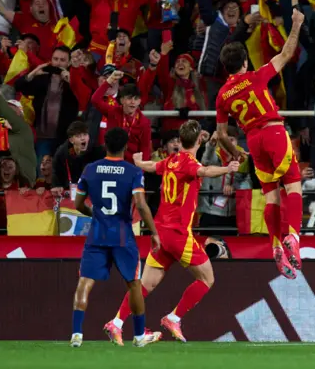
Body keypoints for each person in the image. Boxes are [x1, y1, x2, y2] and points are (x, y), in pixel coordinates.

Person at [103, 120, 240, 344]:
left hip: (160, 233)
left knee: (146, 285)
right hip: (177, 233)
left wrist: (138, 162)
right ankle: (173, 318)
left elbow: (150, 167)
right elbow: (204, 170)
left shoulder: (171, 161)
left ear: (180, 140)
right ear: (198, 141)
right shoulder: (188, 164)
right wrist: (228, 168)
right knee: (207, 279)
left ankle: (116, 323)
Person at [214, 8, 305, 279]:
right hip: (274, 132)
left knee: (271, 195)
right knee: (293, 186)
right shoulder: (255, 76)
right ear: (244, 63)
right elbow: (287, 54)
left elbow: (220, 133)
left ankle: (275, 245)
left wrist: (236, 153)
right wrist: (296, 23)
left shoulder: (221, 96)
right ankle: (294, 238)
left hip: (252, 141)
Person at [70, 127, 161, 348]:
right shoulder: (132, 172)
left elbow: (78, 204)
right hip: (122, 235)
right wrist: (154, 232)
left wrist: (95, 214)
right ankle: (139, 337)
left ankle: (76, 334)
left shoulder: (90, 169)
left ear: (105, 144)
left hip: (97, 234)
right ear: (125, 146)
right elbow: (140, 204)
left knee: (84, 282)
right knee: (134, 284)